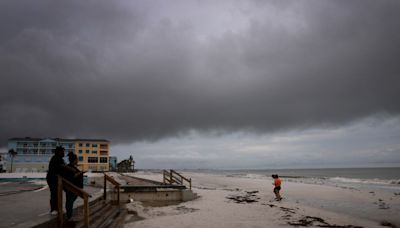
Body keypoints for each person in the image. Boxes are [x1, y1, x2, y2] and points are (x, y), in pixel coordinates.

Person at [46, 146, 67, 215]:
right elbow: (62, 167)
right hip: (52, 179)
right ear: (58, 152)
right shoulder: (55, 158)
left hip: (58, 180)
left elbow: (64, 168)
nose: (64, 153)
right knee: (54, 194)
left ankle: (58, 208)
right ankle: (53, 209)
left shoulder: (60, 159)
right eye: (62, 152)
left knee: (58, 194)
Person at [65, 152, 84, 220]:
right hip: (71, 188)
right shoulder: (69, 167)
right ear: (74, 160)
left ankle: (69, 216)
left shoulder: (73, 167)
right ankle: (69, 216)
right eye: (77, 159)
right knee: (69, 202)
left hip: (76, 188)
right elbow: (71, 177)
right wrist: (80, 173)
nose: (78, 161)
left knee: (70, 202)